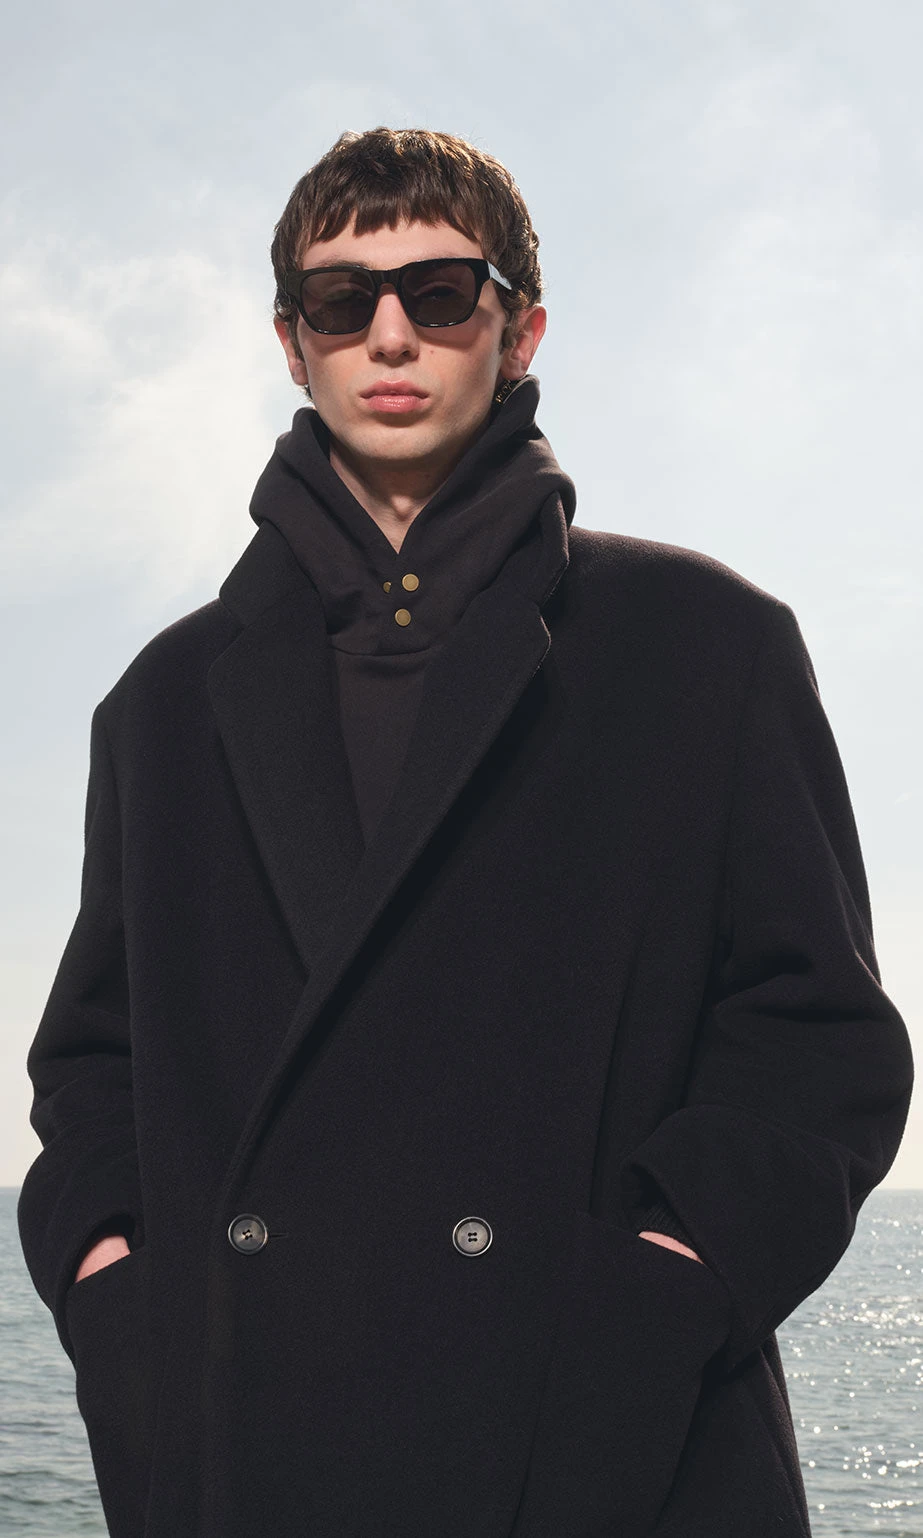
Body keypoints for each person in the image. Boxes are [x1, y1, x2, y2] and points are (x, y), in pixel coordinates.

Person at [18, 126, 913, 1538]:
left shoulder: (704, 645)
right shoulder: (163, 699)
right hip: (241, 1448)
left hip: (615, 1450)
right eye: (340, 301)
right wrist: (114, 1292)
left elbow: (818, 1037)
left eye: (439, 295)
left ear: (519, 328)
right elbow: (91, 1064)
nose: (390, 335)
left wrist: (667, 1282)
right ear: (292, 343)